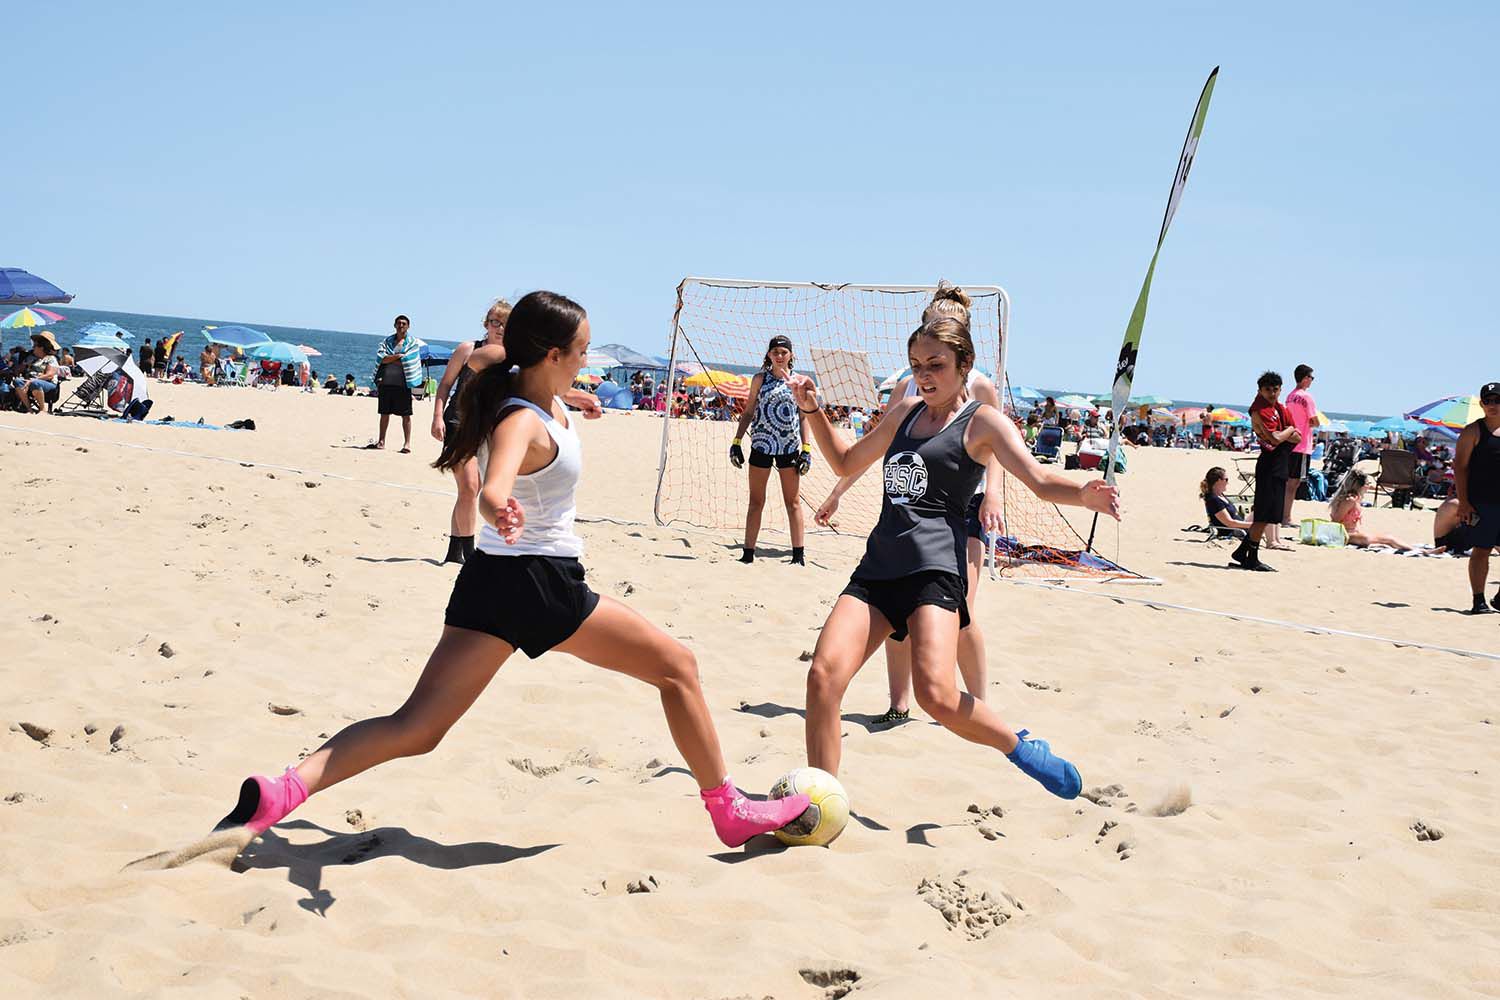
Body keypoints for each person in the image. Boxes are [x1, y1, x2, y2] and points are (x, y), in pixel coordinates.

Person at [213, 291, 809, 848]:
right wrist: (498, 505)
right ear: (552, 354)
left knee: (416, 727)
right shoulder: (520, 419)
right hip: (538, 584)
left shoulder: (530, 397)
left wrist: (572, 399)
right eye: (579, 354)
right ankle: (728, 810)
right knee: (678, 668)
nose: (586, 362)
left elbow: (515, 379)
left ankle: (282, 791)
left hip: (487, 582)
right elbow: (497, 481)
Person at [789, 316, 1119, 801]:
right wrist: (813, 409)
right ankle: (822, 801)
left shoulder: (982, 422)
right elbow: (843, 461)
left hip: (934, 575)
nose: (924, 375)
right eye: (917, 364)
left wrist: (1082, 494)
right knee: (822, 678)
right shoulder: (903, 412)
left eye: (936, 365)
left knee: (936, 695)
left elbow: (1038, 480)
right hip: (879, 568)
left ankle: (1020, 748)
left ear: (965, 365)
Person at [812, 283, 1002, 723]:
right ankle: (899, 704)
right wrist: (838, 492)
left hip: (963, 508)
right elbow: (878, 450)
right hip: (910, 508)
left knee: (961, 613)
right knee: (897, 610)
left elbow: (998, 446)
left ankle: (977, 705)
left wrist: (993, 492)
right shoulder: (907, 388)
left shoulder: (980, 387)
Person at [729, 334, 810, 565]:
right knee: (756, 501)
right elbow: (748, 412)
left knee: (792, 501)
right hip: (761, 445)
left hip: (789, 447)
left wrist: (806, 449)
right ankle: (747, 553)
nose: (780, 356)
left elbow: (803, 417)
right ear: (769, 355)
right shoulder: (759, 379)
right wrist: (736, 442)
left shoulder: (799, 381)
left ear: (791, 355)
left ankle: (798, 555)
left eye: (784, 352)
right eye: (775, 352)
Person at [1233, 372, 1301, 571]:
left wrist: (1286, 432)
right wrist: (1287, 431)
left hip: (1279, 463)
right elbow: (1276, 438)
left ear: (1280, 389)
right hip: (1270, 464)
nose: (1272, 393)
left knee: (1269, 514)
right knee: (1263, 514)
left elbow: (1297, 436)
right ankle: (1250, 556)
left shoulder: (1278, 408)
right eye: (1267, 390)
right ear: (1260, 390)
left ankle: (1243, 552)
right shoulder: (1261, 410)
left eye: (1275, 389)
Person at [1453, 382, 1500, 614]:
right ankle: (1478, 600)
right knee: (1482, 550)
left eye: (1497, 400)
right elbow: (1460, 467)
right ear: (1482, 404)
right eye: (1488, 401)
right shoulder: (1473, 431)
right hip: (1482, 502)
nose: (1492, 405)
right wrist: (1463, 502)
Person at [1328, 471, 1422, 551]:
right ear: (1361, 486)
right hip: (1345, 535)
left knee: (1388, 538)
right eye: (1368, 484)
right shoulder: (1349, 500)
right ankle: (1421, 551)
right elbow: (1335, 521)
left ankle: (1417, 550)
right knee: (1389, 539)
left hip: (1353, 534)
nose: (1369, 486)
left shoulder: (1355, 499)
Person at [372, 315, 424, 452]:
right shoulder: (387, 341)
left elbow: (409, 359)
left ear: (408, 326)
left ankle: (407, 444)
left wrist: (391, 359)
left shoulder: (412, 343)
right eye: (399, 323)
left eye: (404, 324)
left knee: (406, 415)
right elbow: (381, 358)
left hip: (403, 384)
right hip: (386, 383)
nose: (401, 326)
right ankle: (381, 441)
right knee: (384, 414)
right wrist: (398, 357)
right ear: (394, 325)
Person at [1282, 364, 1318, 529]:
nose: (1312, 381)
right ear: (1305, 378)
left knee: (1288, 482)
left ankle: (1283, 515)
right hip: (1301, 444)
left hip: (1289, 442)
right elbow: (1314, 420)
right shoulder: (1306, 397)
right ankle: (1286, 517)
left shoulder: (1289, 397)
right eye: (1311, 377)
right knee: (1293, 483)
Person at [13, 333, 61, 413]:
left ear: (41, 348)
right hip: (29, 381)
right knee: (17, 381)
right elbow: (19, 370)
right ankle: (29, 409)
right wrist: (23, 365)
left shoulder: (50, 358)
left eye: (35, 346)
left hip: (47, 383)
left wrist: (33, 380)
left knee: (35, 383)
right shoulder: (30, 357)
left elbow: (50, 375)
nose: (32, 347)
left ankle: (42, 410)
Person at [1201, 466, 1251, 539]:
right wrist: (1252, 525)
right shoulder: (1214, 500)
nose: (1228, 483)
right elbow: (1229, 523)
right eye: (1226, 479)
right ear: (1219, 480)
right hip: (1233, 531)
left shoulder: (1221, 496)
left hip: (1241, 526)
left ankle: (1272, 540)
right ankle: (1271, 543)